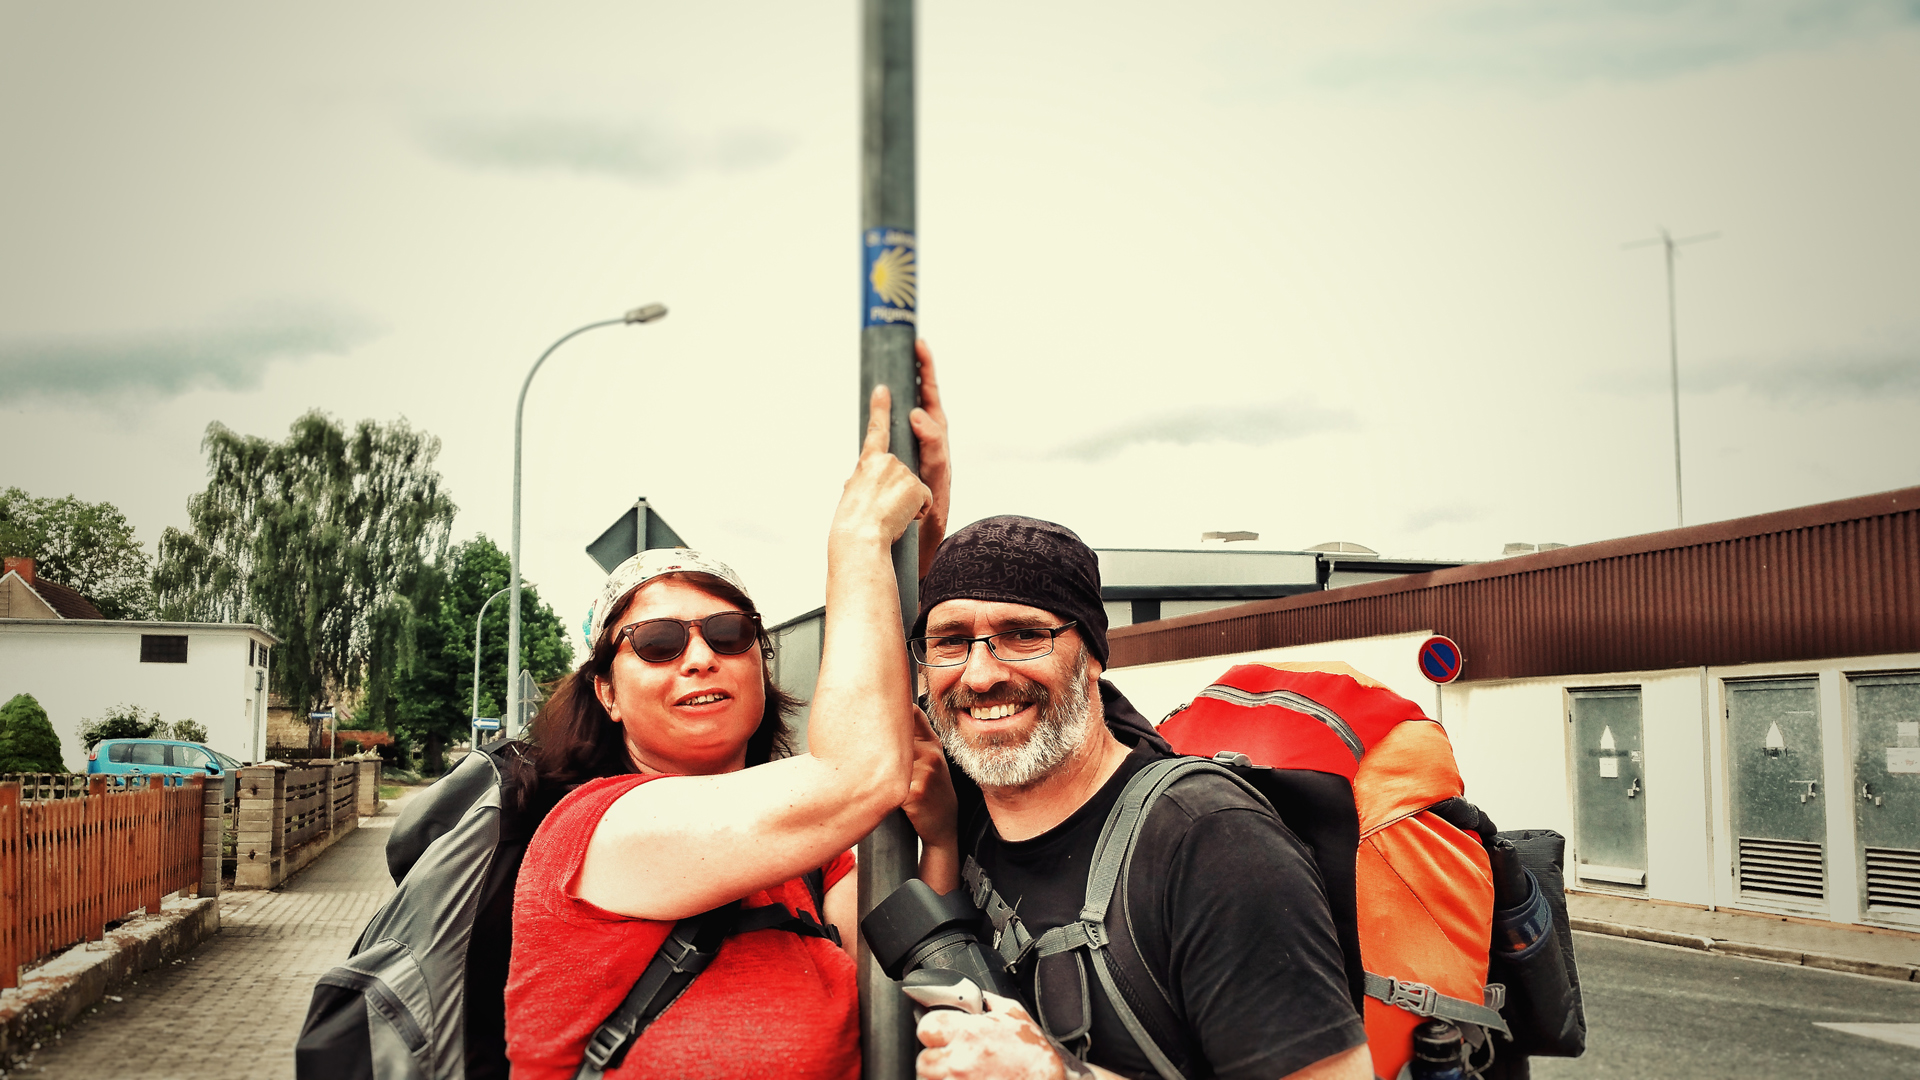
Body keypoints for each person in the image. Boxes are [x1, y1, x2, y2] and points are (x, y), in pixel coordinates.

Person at [502, 378, 959, 1080]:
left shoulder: (813, 858)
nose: (699, 658)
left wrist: (943, 838)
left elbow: (908, 992)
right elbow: (857, 774)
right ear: (607, 692)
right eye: (657, 641)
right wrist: (861, 536)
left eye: (727, 633)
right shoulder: (592, 833)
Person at [906, 516, 1373, 1080]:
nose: (979, 676)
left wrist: (1055, 1076)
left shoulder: (1214, 844)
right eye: (950, 642)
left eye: (1024, 634)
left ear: (1094, 656)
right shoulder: (968, 815)